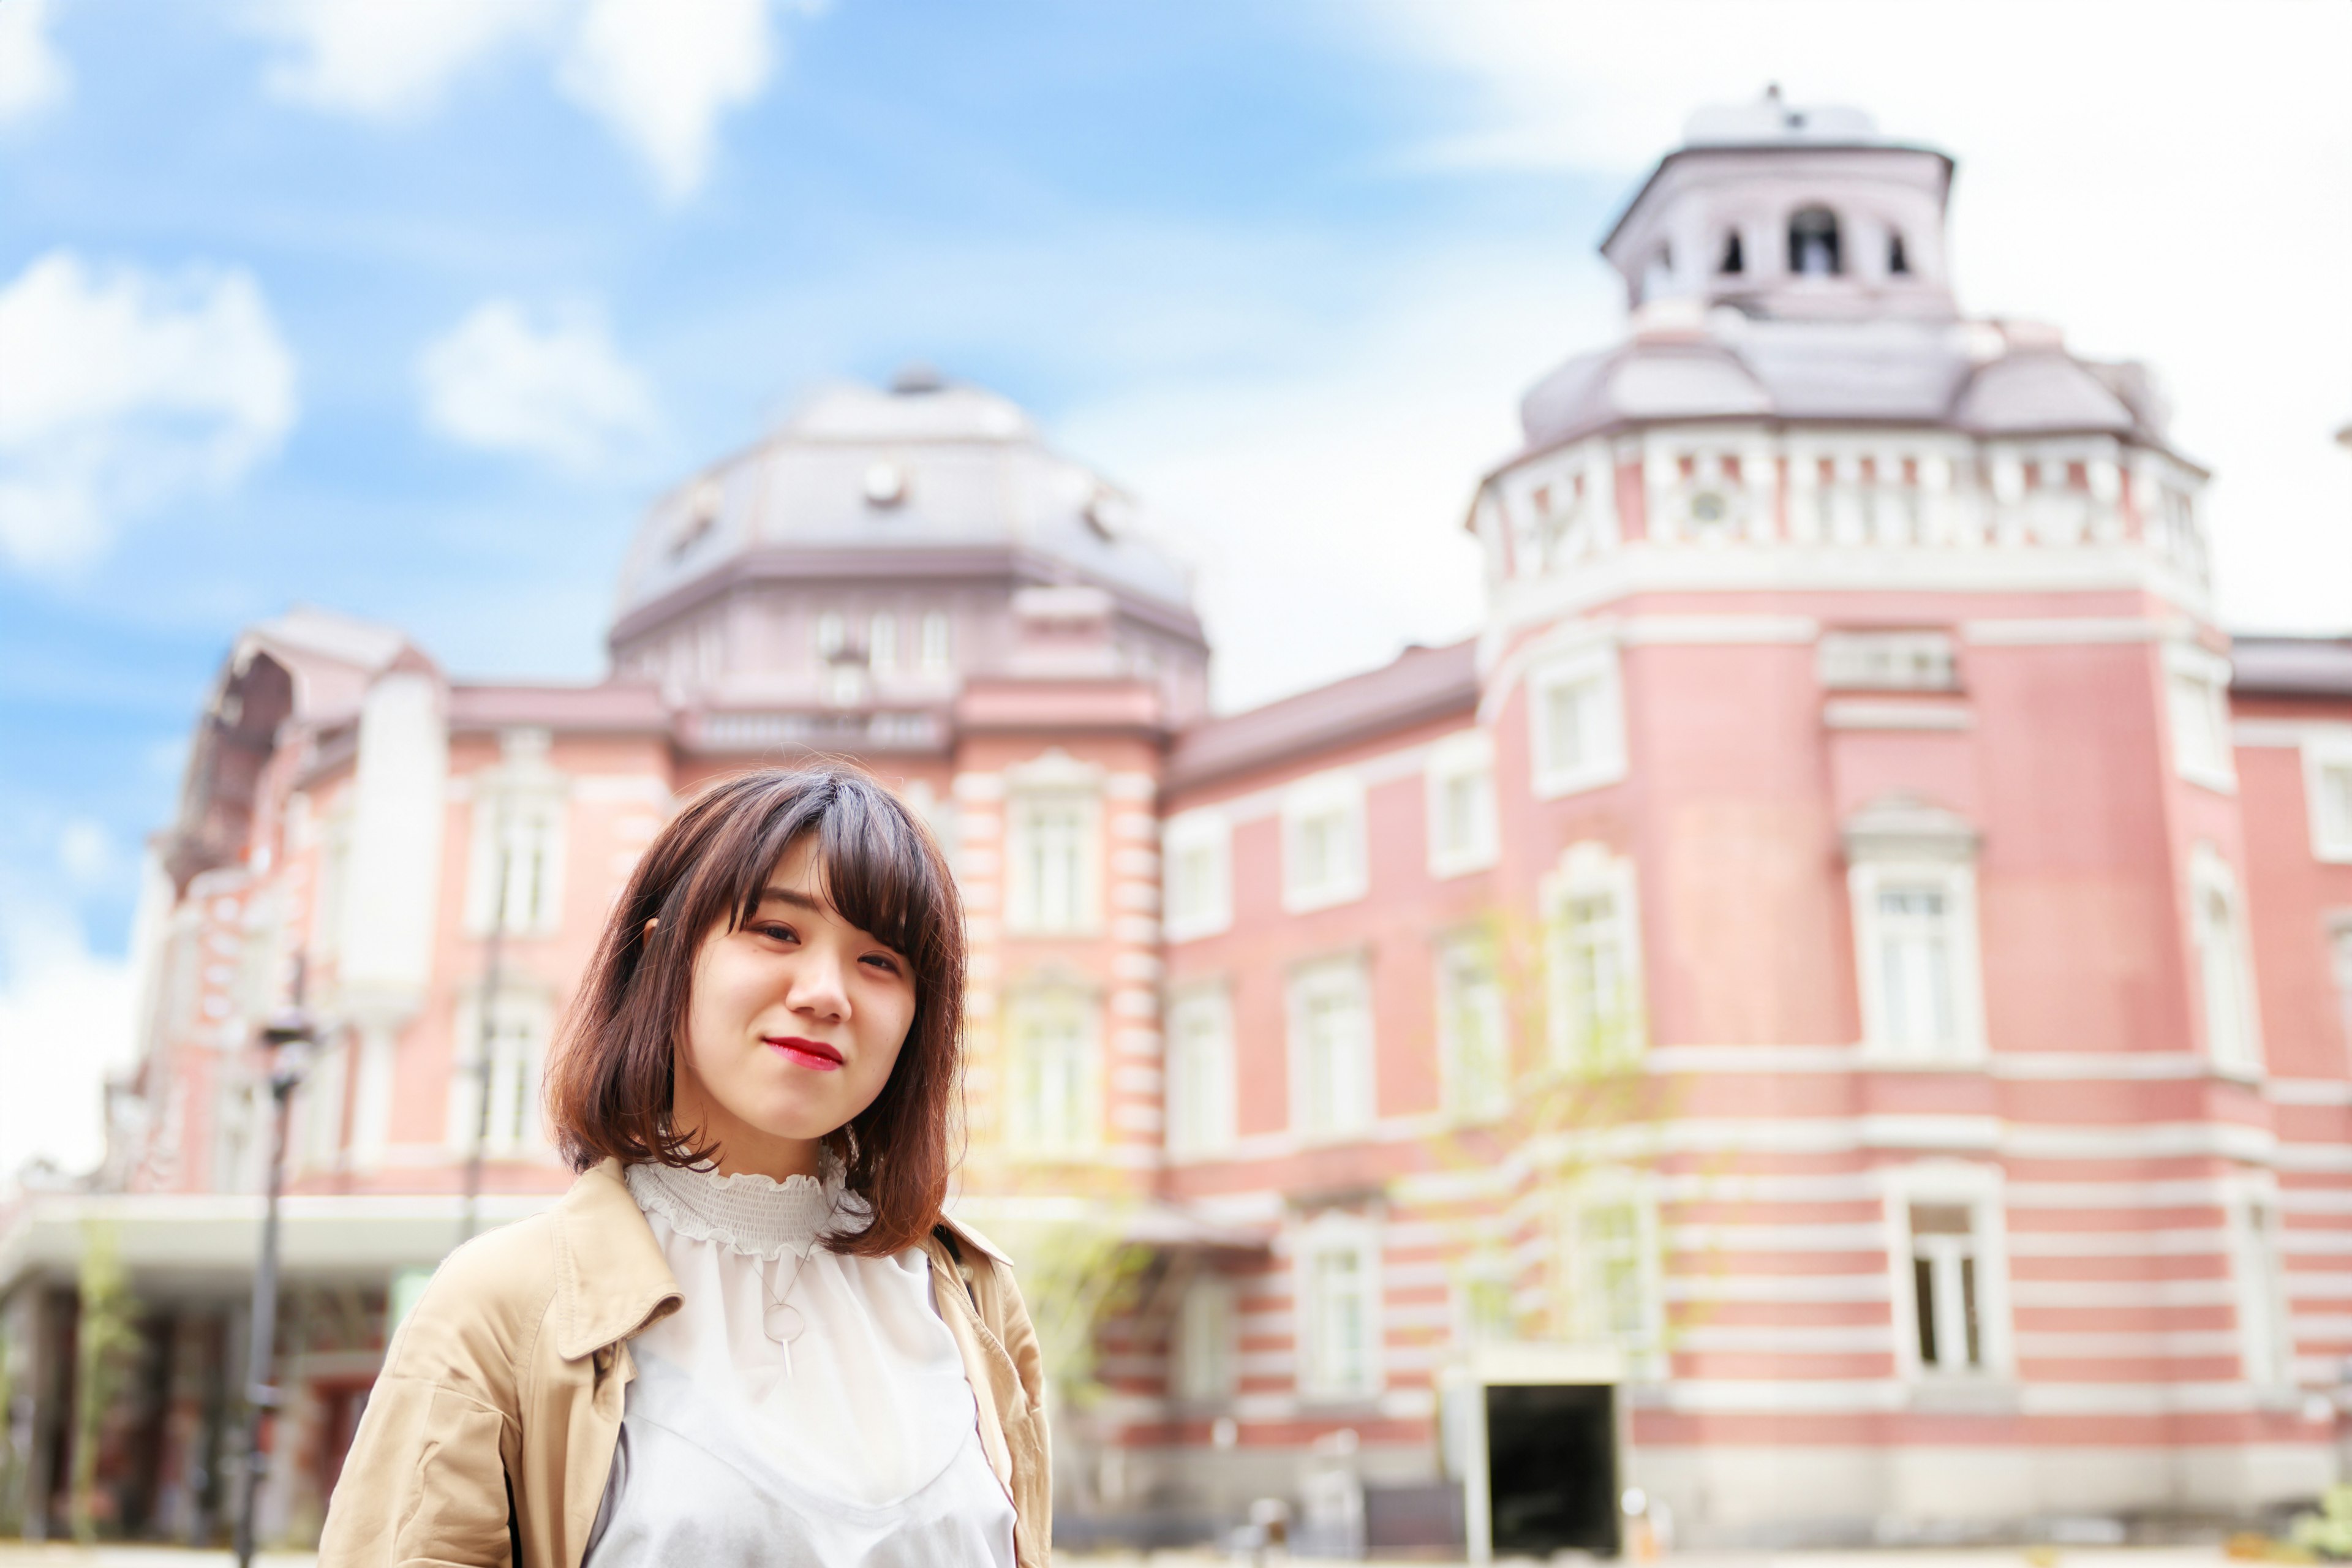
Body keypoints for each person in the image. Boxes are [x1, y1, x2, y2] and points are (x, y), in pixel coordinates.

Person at [318, 766, 1050, 1567]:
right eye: (778, 931)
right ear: (664, 957)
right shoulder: (503, 1307)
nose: (825, 992)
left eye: (881, 961)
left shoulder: (972, 1295)